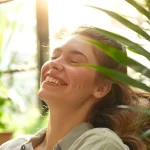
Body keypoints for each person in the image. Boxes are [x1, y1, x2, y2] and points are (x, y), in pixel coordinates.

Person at [0, 27, 149, 150]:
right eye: (54, 56)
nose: (54, 64)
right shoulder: (12, 146)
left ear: (101, 87)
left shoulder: (101, 144)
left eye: (74, 61)